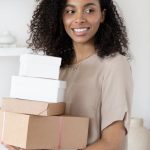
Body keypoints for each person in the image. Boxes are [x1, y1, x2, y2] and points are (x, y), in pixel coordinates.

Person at [4, 0, 133, 149]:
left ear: (102, 15)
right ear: (60, 17)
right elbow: (44, 130)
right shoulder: (56, 68)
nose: (79, 19)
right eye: (70, 11)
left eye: (89, 10)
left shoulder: (114, 65)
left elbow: (112, 143)